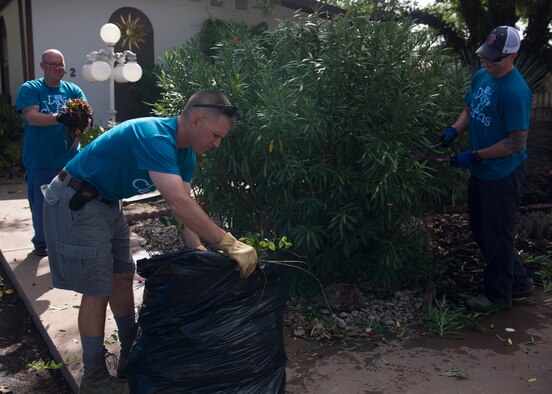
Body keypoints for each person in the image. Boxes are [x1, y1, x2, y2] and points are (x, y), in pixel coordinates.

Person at [42, 90, 258, 393]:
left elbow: (181, 210)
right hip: (76, 199)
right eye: (216, 135)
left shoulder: (184, 155)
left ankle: (132, 352)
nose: (217, 144)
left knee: (123, 275)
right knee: (97, 288)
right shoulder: (153, 135)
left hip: (107, 201)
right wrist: (230, 244)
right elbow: (179, 202)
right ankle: (93, 378)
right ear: (196, 119)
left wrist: (196, 252)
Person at [440, 26, 534, 312]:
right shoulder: (483, 75)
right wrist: (454, 131)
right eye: (486, 57)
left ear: (513, 55)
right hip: (482, 172)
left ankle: (498, 297)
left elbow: (516, 142)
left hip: (502, 175)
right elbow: (470, 108)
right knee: (482, 232)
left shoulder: (516, 92)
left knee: (497, 236)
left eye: (496, 59)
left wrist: (476, 155)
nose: (488, 63)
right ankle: (519, 282)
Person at [16, 49, 87, 257]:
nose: (58, 68)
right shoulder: (31, 88)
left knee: (73, 201)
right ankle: (41, 243)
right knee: (42, 206)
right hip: (40, 160)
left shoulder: (72, 90)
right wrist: (60, 117)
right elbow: (32, 117)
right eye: (53, 64)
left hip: (70, 160)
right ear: (42, 66)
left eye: (61, 64)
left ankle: (69, 239)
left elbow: (85, 115)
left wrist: (78, 131)